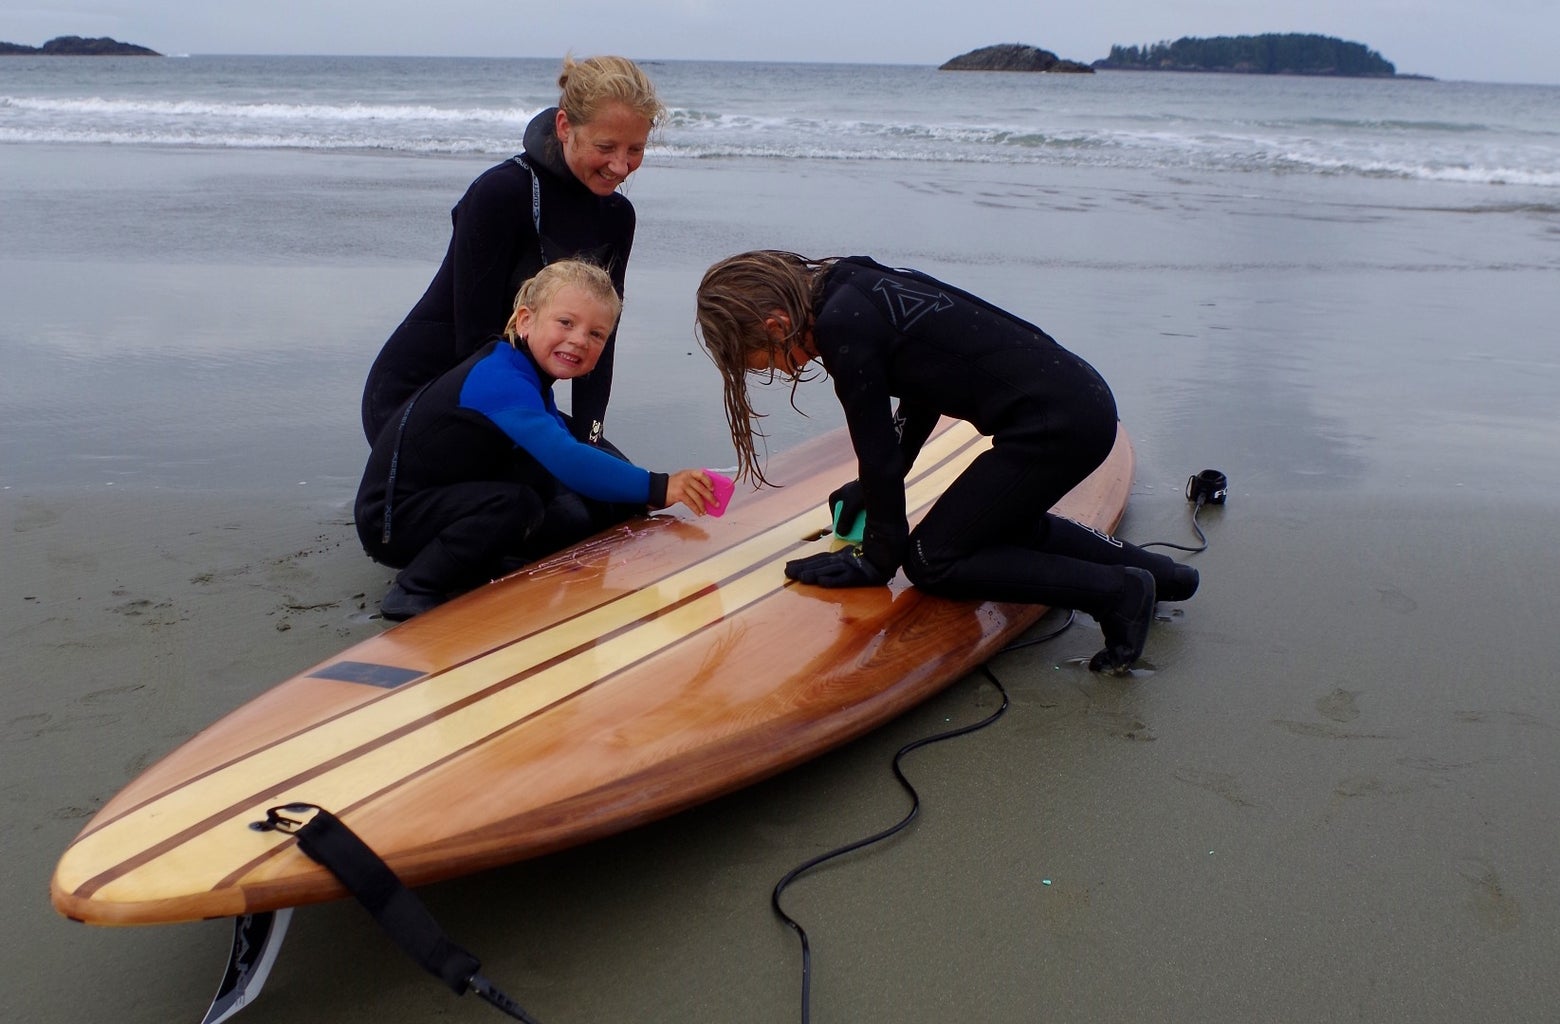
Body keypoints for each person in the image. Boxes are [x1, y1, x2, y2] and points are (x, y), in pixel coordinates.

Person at [694, 251, 1199, 673]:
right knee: (1002, 527)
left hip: (1053, 426)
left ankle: (1118, 591)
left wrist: (875, 560)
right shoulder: (851, 283)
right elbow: (921, 392)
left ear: (776, 324)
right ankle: (1163, 575)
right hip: (1077, 400)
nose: (780, 372)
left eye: (765, 362)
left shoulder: (840, 328)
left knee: (934, 560)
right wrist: (868, 493)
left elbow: (878, 454)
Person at [357, 260, 717, 621]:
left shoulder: (523, 371)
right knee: (516, 504)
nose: (579, 339)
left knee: (554, 495)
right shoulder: (499, 378)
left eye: (596, 335)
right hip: (390, 521)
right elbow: (567, 459)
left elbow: (564, 450)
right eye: (566, 322)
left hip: (439, 500)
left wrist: (632, 501)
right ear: (526, 320)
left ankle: (486, 560)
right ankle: (415, 588)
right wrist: (658, 487)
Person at [361, 54, 663, 449]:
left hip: (515, 399)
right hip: (422, 395)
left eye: (635, 150)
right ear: (564, 126)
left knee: (614, 491)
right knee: (558, 507)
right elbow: (475, 344)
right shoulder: (501, 194)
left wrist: (591, 439)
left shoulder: (617, 218)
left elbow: (599, 344)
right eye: (605, 146)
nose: (621, 166)